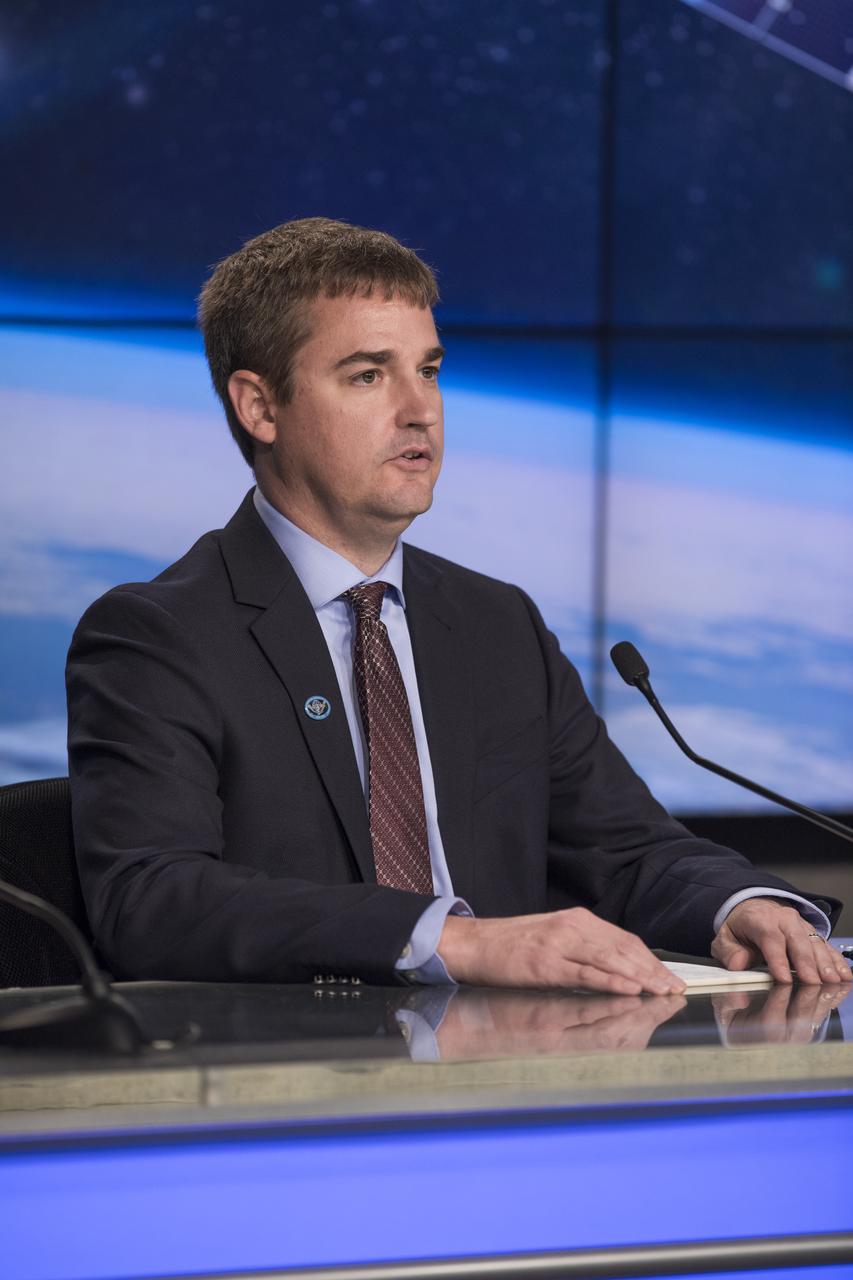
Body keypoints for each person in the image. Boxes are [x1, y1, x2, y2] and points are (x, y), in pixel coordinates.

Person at [66, 217, 850, 993]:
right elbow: (151, 900)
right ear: (260, 408)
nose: (421, 410)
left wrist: (738, 904)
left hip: (507, 1082)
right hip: (289, 1081)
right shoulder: (158, 634)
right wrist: (452, 941)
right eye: (368, 375)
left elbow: (627, 850)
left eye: (429, 370)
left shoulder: (495, 624)